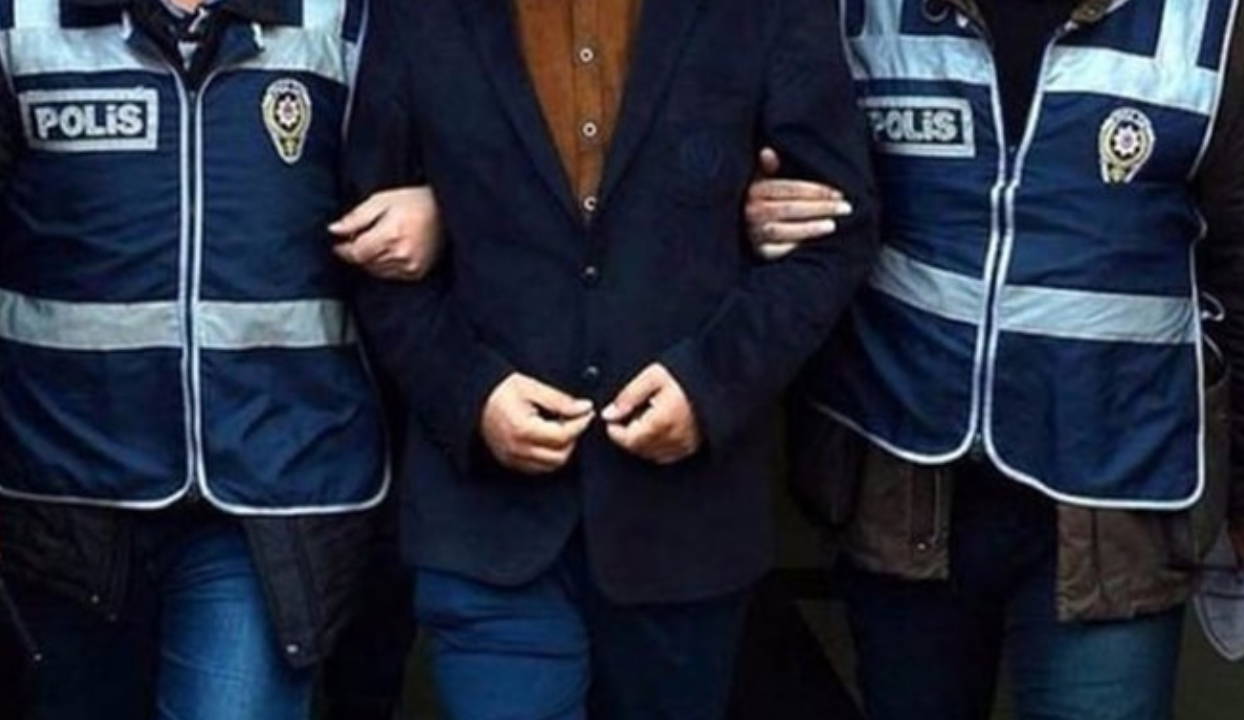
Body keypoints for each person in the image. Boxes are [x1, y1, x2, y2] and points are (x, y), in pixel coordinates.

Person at [339, 0, 879, 717]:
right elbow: (369, 247)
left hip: (683, 526)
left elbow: (836, 236)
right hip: (486, 524)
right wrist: (469, 392)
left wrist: (711, 384)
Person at [749, 0, 1244, 718]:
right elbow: (764, 176)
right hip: (901, 479)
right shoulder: (853, 12)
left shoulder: (1216, 25)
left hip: (1120, 494)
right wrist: (758, 210)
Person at [0, 1, 438, 718]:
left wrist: (440, 207)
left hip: (273, 496)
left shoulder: (343, 18)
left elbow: (477, 148)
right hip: (60, 497)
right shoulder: (22, 20)